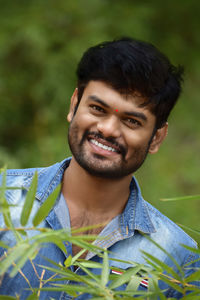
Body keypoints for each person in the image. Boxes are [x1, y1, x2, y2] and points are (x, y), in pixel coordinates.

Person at [0, 37, 199, 299]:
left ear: (157, 138)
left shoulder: (176, 257)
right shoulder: (5, 201)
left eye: (131, 121)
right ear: (74, 105)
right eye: (97, 108)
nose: (107, 129)